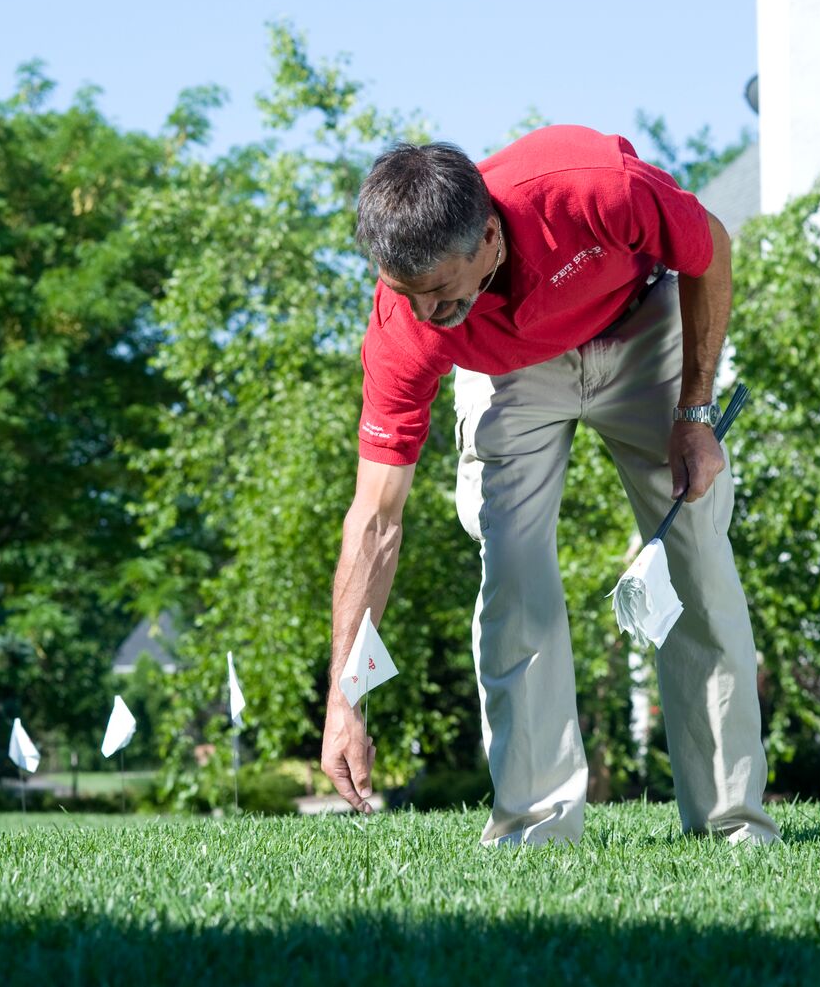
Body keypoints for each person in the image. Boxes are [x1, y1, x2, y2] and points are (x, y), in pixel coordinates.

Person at [320, 125, 780, 847]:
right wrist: (343, 700)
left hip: (637, 329)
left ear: (490, 239)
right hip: (511, 373)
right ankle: (537, 828)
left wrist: (695, 410)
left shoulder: (593, 188)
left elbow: (710, 249)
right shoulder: (406, 324)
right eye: (409, 295)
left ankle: (732, 823)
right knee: (513, 567)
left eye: (441, 292)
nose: (427, 313)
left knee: (698, 556)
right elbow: (375, 520)